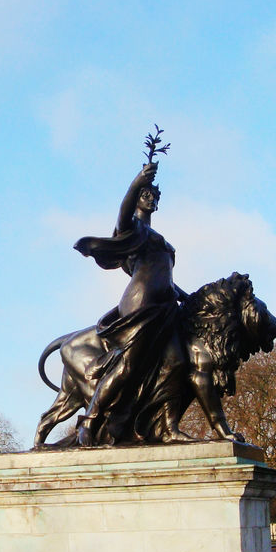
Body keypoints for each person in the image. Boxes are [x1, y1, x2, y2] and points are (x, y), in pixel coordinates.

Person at [72, 161, 186, 446]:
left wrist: (187, 296)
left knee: (177, 361)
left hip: (165, 305)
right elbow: (123, 212)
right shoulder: (132, 228)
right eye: (146, 194)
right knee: (127, 366)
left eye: (154, 195)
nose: (152, 198)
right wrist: (136, 182)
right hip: (141, 305)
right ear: (137, 197)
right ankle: (91, 419)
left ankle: (165, 426)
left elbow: (165, 276)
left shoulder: (157, 237)